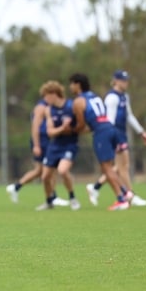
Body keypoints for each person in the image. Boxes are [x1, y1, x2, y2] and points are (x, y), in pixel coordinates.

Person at [86, 70, 146, 207]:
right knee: (122, 167)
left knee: (121, 166)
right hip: (114, 134)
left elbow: (129, 115)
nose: (125, 83)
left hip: (121, 134)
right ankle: (130, 195)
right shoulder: (112, 98)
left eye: (126, 80)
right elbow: (108, 120)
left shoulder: (124, 97)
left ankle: (96, 187)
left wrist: (141, 132)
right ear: (115, 81)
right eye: (123, 80)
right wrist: (112, 137)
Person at [68, 73, 130, 210]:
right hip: (110, 128)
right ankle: (126, 192)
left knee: (106, 168)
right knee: (110, 167)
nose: (70, 87)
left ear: (77, 84)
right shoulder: (94, 96)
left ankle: (121, 199)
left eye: (71, 84)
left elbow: (80, 124)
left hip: (101, 133)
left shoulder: (78, 101)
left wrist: (70, 130)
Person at [6, 95, 70, 207]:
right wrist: (36, 145)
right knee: (50, 169)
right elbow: (35, 127)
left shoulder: (49, 107)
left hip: (46, 141)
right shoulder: (41, 107)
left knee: (40, 171)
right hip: (42, 142)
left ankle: (16, 187)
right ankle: (53, 196)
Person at [35, 80, 81, 211]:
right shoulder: (48, 110)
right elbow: (50, 132)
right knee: (45, 177)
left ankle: (72, 198)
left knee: (62, 170)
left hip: (70, 145)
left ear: (54, 94)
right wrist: (62, 127)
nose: (45, 99)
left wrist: (72, 128)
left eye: (46, 96)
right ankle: (49, 201)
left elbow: (81, 124)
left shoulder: (71, 106)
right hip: (54, 146)